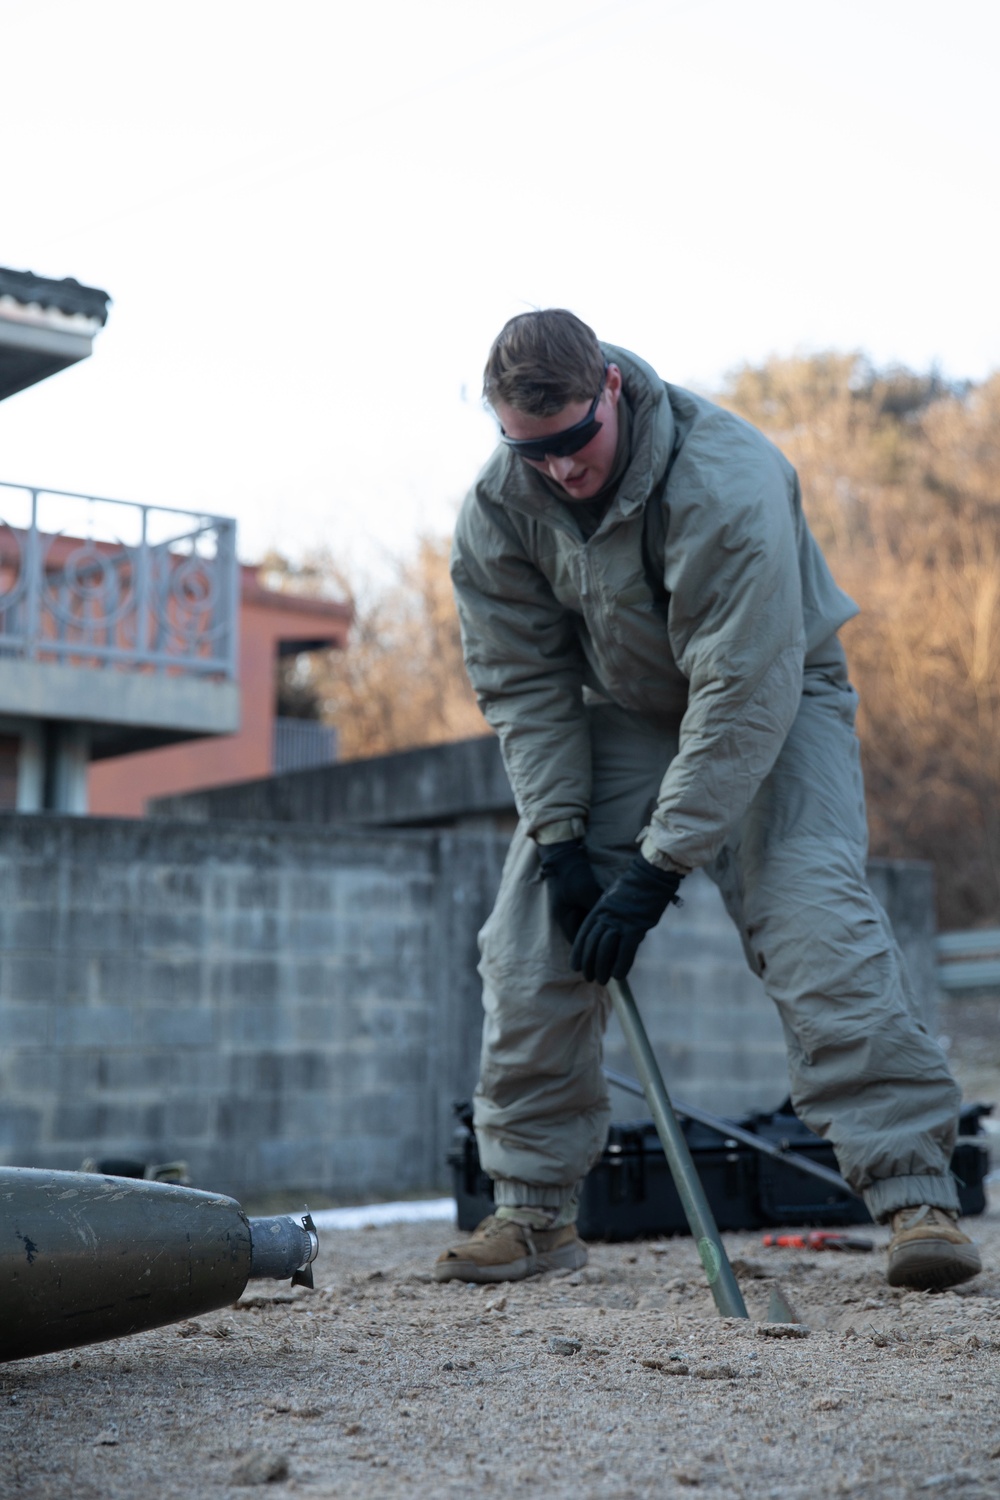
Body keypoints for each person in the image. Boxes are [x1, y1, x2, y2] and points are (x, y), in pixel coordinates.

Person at [436, 308, 980, 1294]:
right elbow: (524, 685)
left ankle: (914, 1195)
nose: (557, 470)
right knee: (528, 935)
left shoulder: (727, 479)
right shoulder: (497, 508)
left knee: (813, 919)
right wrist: (562, 838)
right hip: (633, 710)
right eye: (531, 450)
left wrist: (651, 871)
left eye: (570, 444)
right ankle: (530, 1210)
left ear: (609, 387)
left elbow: (739, 693)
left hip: (776, 690)